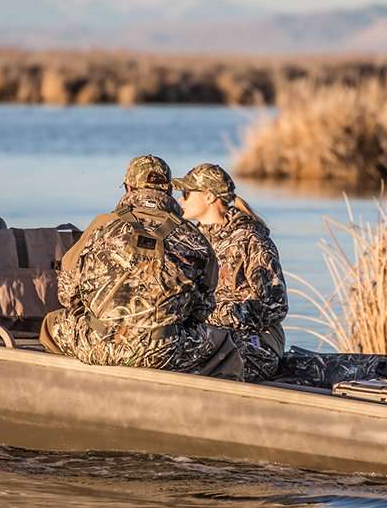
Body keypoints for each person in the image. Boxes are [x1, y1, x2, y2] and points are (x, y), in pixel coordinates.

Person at [40, 154, 242, 378]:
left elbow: (67, 294)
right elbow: (203, 309)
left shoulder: (101, 225)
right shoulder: (194, 238)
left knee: (51, 324)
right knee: (223, 342)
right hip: (163, 353)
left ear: (128, 188)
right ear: (168, 191)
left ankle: (65, 384)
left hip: (97, 345)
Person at [174, 163, 288, 382]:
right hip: (210, 336)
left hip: (256, 342)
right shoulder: (191, 240)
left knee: (195, 359)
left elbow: (275, 305)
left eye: (186, 193)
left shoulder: (251, 238)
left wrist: (214, 315)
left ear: (209, 197)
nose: (181, 200)